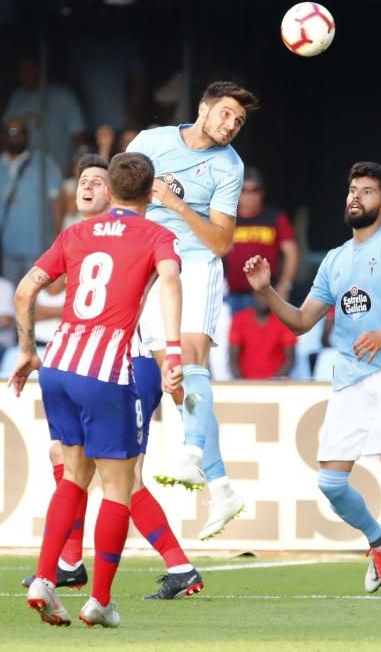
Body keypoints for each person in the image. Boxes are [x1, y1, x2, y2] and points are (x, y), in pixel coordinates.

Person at [243, 161, 381, 599]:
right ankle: (380, 538)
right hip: (351, 380)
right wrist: (265, 290)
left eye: (368, 191)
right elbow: (301, 321)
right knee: (330, 483)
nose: (356, 197)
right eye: (352, 189)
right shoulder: (336, 260)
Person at [19, 155, 205, 601]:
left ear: (112, 193)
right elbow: (169, 282)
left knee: (113, 476)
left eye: (97, 181)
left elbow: (26, 288)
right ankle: (75, 571)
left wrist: (169, 359)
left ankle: (77, 570)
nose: (87, 186)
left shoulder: (88, 237)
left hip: (120, 362)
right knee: (78, 466)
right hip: (100, 367)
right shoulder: (116, 236)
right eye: (81, 179)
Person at [128, 81, 259, 540]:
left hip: (195, 265)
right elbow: (122, 193)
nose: (231, 125)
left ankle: (191, 452)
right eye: (225, 114)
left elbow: (222, 243)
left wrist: (176, 203)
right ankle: (222, 490)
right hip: (149, 268)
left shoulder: (230, 167)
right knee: (173, 374)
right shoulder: (151, 142)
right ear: (203, 108)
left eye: (239, 122)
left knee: (189, 353)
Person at [0, 116, 62, 283]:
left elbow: (57, 202)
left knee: (37, 294)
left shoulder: (42, 162)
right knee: (10, 296)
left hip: (39, 245)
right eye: (11, 132)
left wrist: (57, 238)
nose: (16, 136)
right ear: (3, 136)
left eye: (20, 132)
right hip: (6, 247)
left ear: (27, 136)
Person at [222, 167, 299, 313]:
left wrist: (285, 285)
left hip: (266, 294)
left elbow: (292, 252)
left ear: (262, 192)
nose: (249, 195)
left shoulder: (275, 218)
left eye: (255, 190)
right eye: (244, 190)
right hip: (230, 295)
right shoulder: (228, 219)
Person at [2, 55, 87, 172]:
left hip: (59, 171)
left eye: (28, 69)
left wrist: (76, 166)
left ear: (40, 69)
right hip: (26, 174)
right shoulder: (18, 96)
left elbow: (79, 138)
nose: (23, 74)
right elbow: (6, 132)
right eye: (21, 70)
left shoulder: (63, 96)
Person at [228, 292, 297, 379]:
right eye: (260, 294)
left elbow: (290, 360)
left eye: (267, 295)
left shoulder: (283, 321)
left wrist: (271, 384)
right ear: (254, 295)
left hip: (275, 385)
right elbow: (233, 359)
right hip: (246, 384)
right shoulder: (239, 319)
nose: (263, 299)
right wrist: (243, 385)